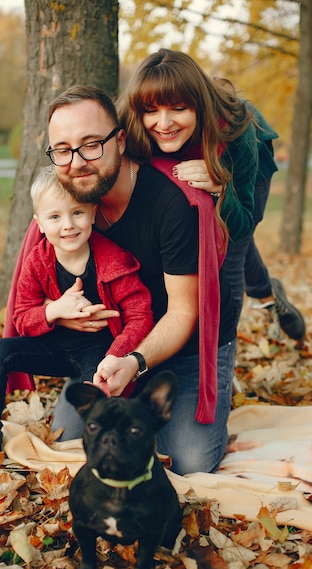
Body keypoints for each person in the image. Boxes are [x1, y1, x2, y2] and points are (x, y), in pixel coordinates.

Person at [38, 74, 255, 475]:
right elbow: (38, 288)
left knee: (187, 463)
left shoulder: (171, 202)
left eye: (91, 144)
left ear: (120, 141)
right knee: (66, 445)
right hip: (117, 341)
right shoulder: (67, 205)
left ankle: (212, 394)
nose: (77, 162)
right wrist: (57, 310)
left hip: (189, 343)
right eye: (63, 150)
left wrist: (134, 362)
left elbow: (183, 313)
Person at [0, 165, 154, 478]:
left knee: (95, 400)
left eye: (77, 213)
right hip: (54, 349)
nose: (67, 226)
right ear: (39, 222)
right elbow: (21, 316)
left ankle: (108, 458)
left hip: (99, 351)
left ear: (92, 212)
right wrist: (55, 310)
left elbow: (140, 313)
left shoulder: (112, 259)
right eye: (55, 217)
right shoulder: (38, 260)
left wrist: (117, 356)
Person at [213, 79, 305, 341]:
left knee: (232, 249)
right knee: (236, 241)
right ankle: (268, 293)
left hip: (253, 169)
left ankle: (224, 353)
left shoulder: (233, 120)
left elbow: (241, 226)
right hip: (217, 166)